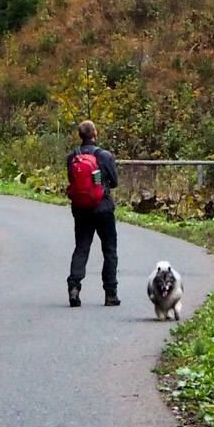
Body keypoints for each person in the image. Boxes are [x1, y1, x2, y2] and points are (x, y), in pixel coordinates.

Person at [64, 120, 120, 307]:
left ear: (80, 135)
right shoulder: (104, 156)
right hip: (103, 209)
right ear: (95, 134)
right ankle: (111, 293)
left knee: (81, 248)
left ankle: (74, 286)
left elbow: (72, 180)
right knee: (109, 250)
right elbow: (114, 182)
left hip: (81, 209)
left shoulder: (72, 156)